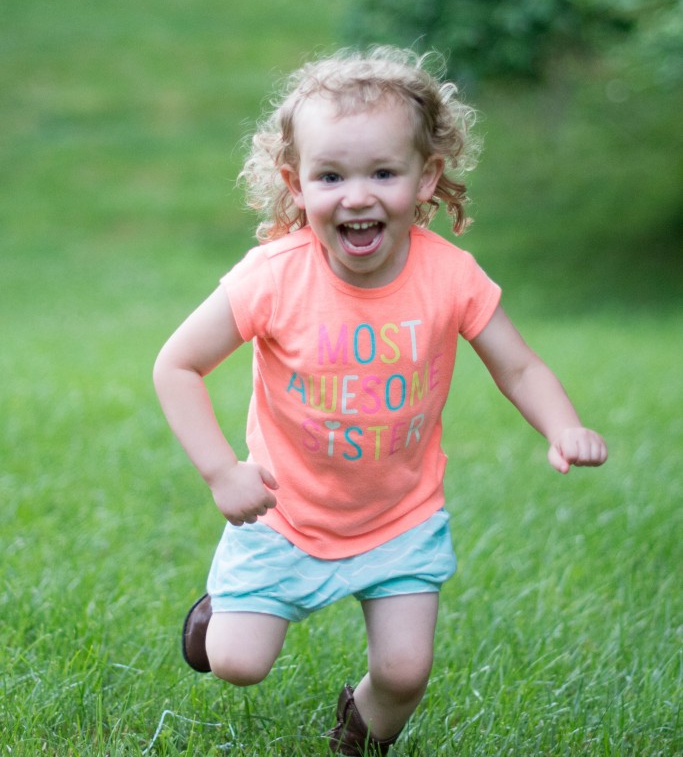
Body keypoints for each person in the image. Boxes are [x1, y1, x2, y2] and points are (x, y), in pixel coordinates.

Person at [153, 46, 608, 755]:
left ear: (425, 178)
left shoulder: (448, 276)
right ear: (295, 185)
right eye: (330, 175)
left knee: (404, 671)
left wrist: (563, 425)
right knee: (237, 665)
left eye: (382, 172)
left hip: (400, 517)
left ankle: (359, 732)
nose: (356, 195)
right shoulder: (272, 277)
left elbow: (517, 367)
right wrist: (221, 472)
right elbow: (176, 364)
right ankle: (219, 616)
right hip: (284, 515)